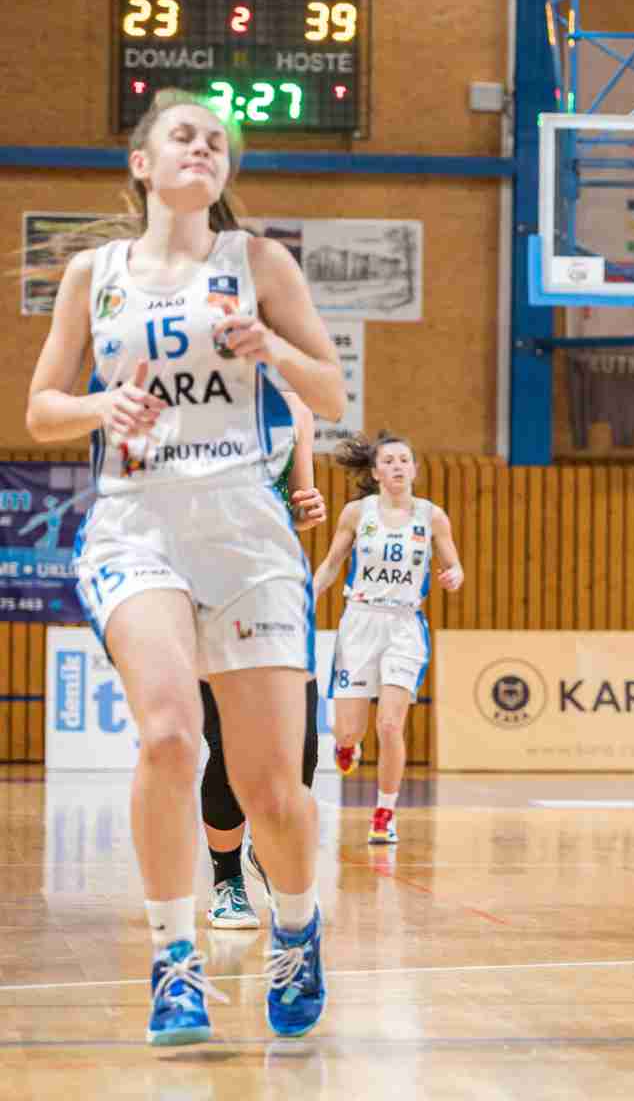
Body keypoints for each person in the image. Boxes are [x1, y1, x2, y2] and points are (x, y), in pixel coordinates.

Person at [25, 89, 344, 1044]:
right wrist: (99, 408)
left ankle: (297, 927)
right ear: (143, 163)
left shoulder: (260, 263)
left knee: (272, 789)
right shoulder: (94, 274)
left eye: (217, 142)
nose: (202, 148)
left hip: (244, 529)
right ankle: (174, 961)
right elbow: (41, 407)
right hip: (137, 523)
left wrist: (272, 346)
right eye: (183, 135)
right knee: (168, 737)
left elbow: (330, 391)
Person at [202, 392, 327, 928]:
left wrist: (306, 510)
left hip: (278, 588)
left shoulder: (295, 410)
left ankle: (267, 850)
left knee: (302, 748)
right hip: (207, 586)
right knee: (229, 746)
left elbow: (299, 506)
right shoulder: (189, 401)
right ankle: (226, 879)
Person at [312, 430, 464, 844]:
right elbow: (332, 563)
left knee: (391, 724)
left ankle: (384, 813)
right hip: (360, 621)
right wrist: (309, 594)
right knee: (347, 731)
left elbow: (454, 565)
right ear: (376, 472)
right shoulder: (357, 513)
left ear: (414, 469)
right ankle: (348, 746)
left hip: (404, 625)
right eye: (389, 461)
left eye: (404, 460)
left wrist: (454, 575)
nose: (397, 466)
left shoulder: (432, 516)